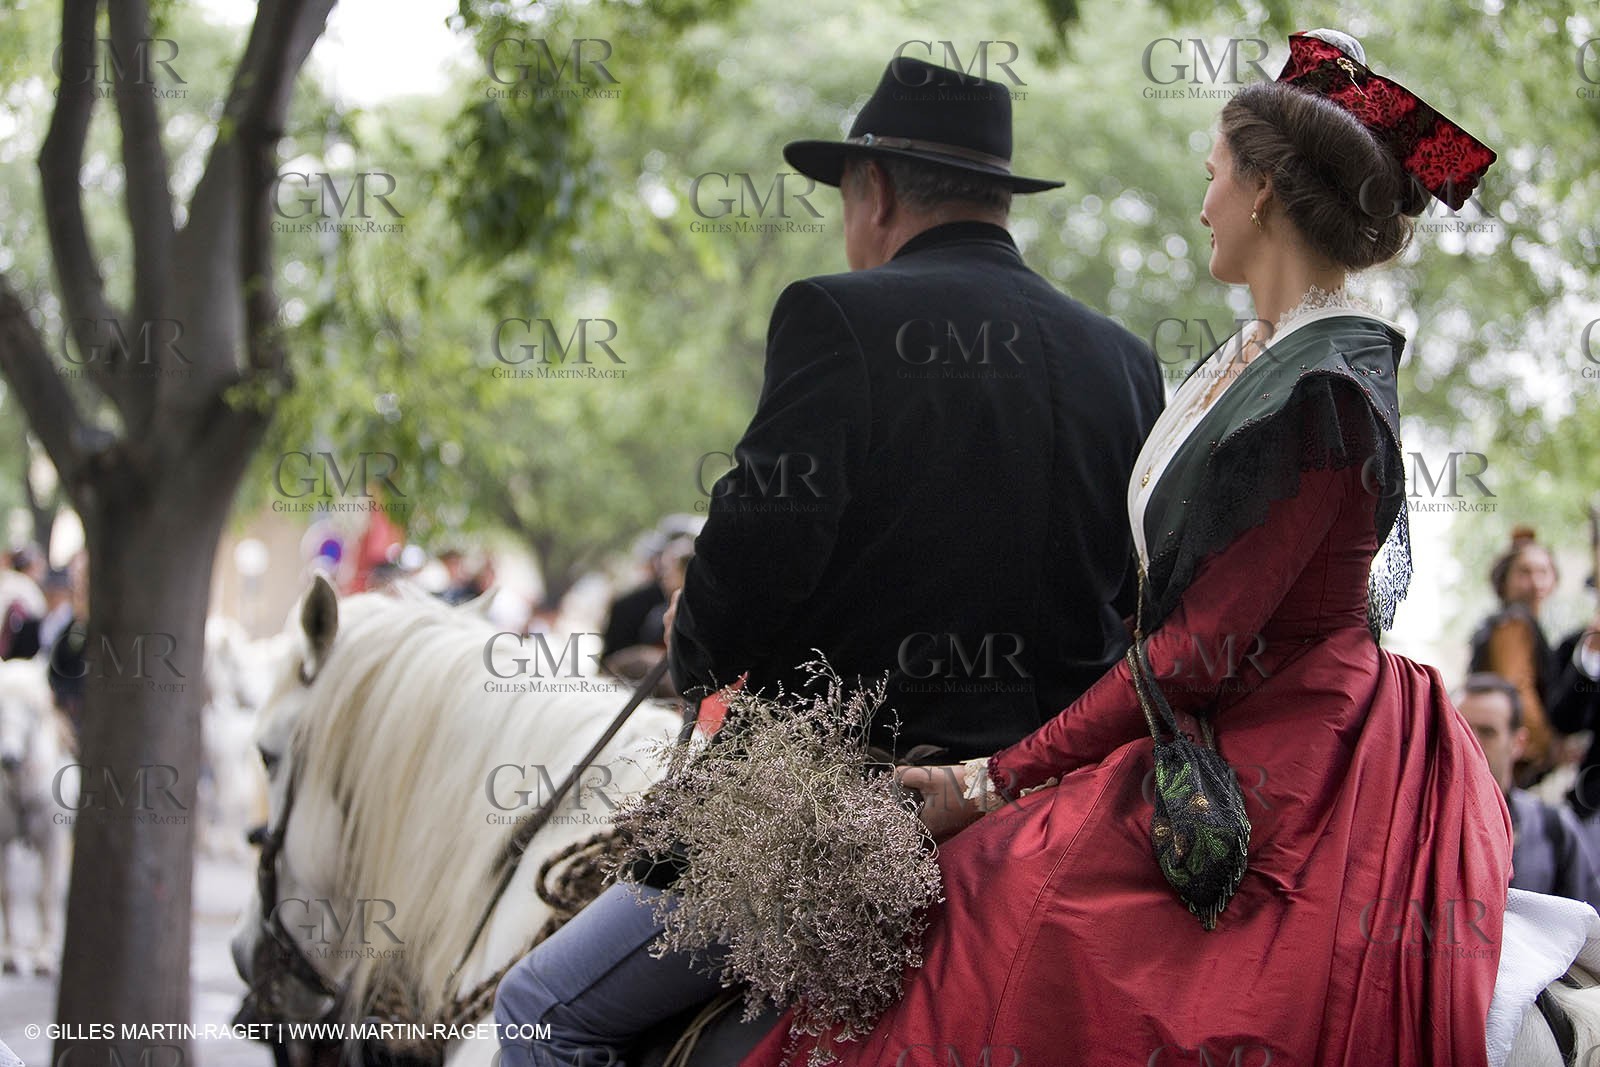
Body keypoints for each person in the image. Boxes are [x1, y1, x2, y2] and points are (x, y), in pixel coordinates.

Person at [745, 30, 1510, 1066]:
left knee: (986, 898)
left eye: (1212, 175)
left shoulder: (1320, 389)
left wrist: (990, 778)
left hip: (1294, 745)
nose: (1202, 201)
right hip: (1226, 711)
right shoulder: (1263, 352)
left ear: (1262, 194)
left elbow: (1199, 648)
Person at [495, 53, 1165, 1067]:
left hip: (834, 816)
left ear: (874, 189)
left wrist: (701, 634)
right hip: (1053, 808)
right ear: (998, 196)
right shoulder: (1122, 357)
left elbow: (755, 562)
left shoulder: (838, 315)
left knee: (541, 1008)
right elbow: (1126, 597)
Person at [1458, 673, 1600, 910]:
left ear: (1518, 743)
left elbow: (1588, 926)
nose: (1471, 741)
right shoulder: (1418, 822)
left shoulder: (1553, 828)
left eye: (1487, 732)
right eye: (1460, 729)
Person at [1470, 525, 1562, 780]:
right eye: (1524, 572)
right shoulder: (1512, 625)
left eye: (1543, 572)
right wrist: (1549, 746)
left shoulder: (1525, 625)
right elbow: (1517, 687)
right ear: (1505, 581)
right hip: (1511, 758)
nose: (1535, 582)